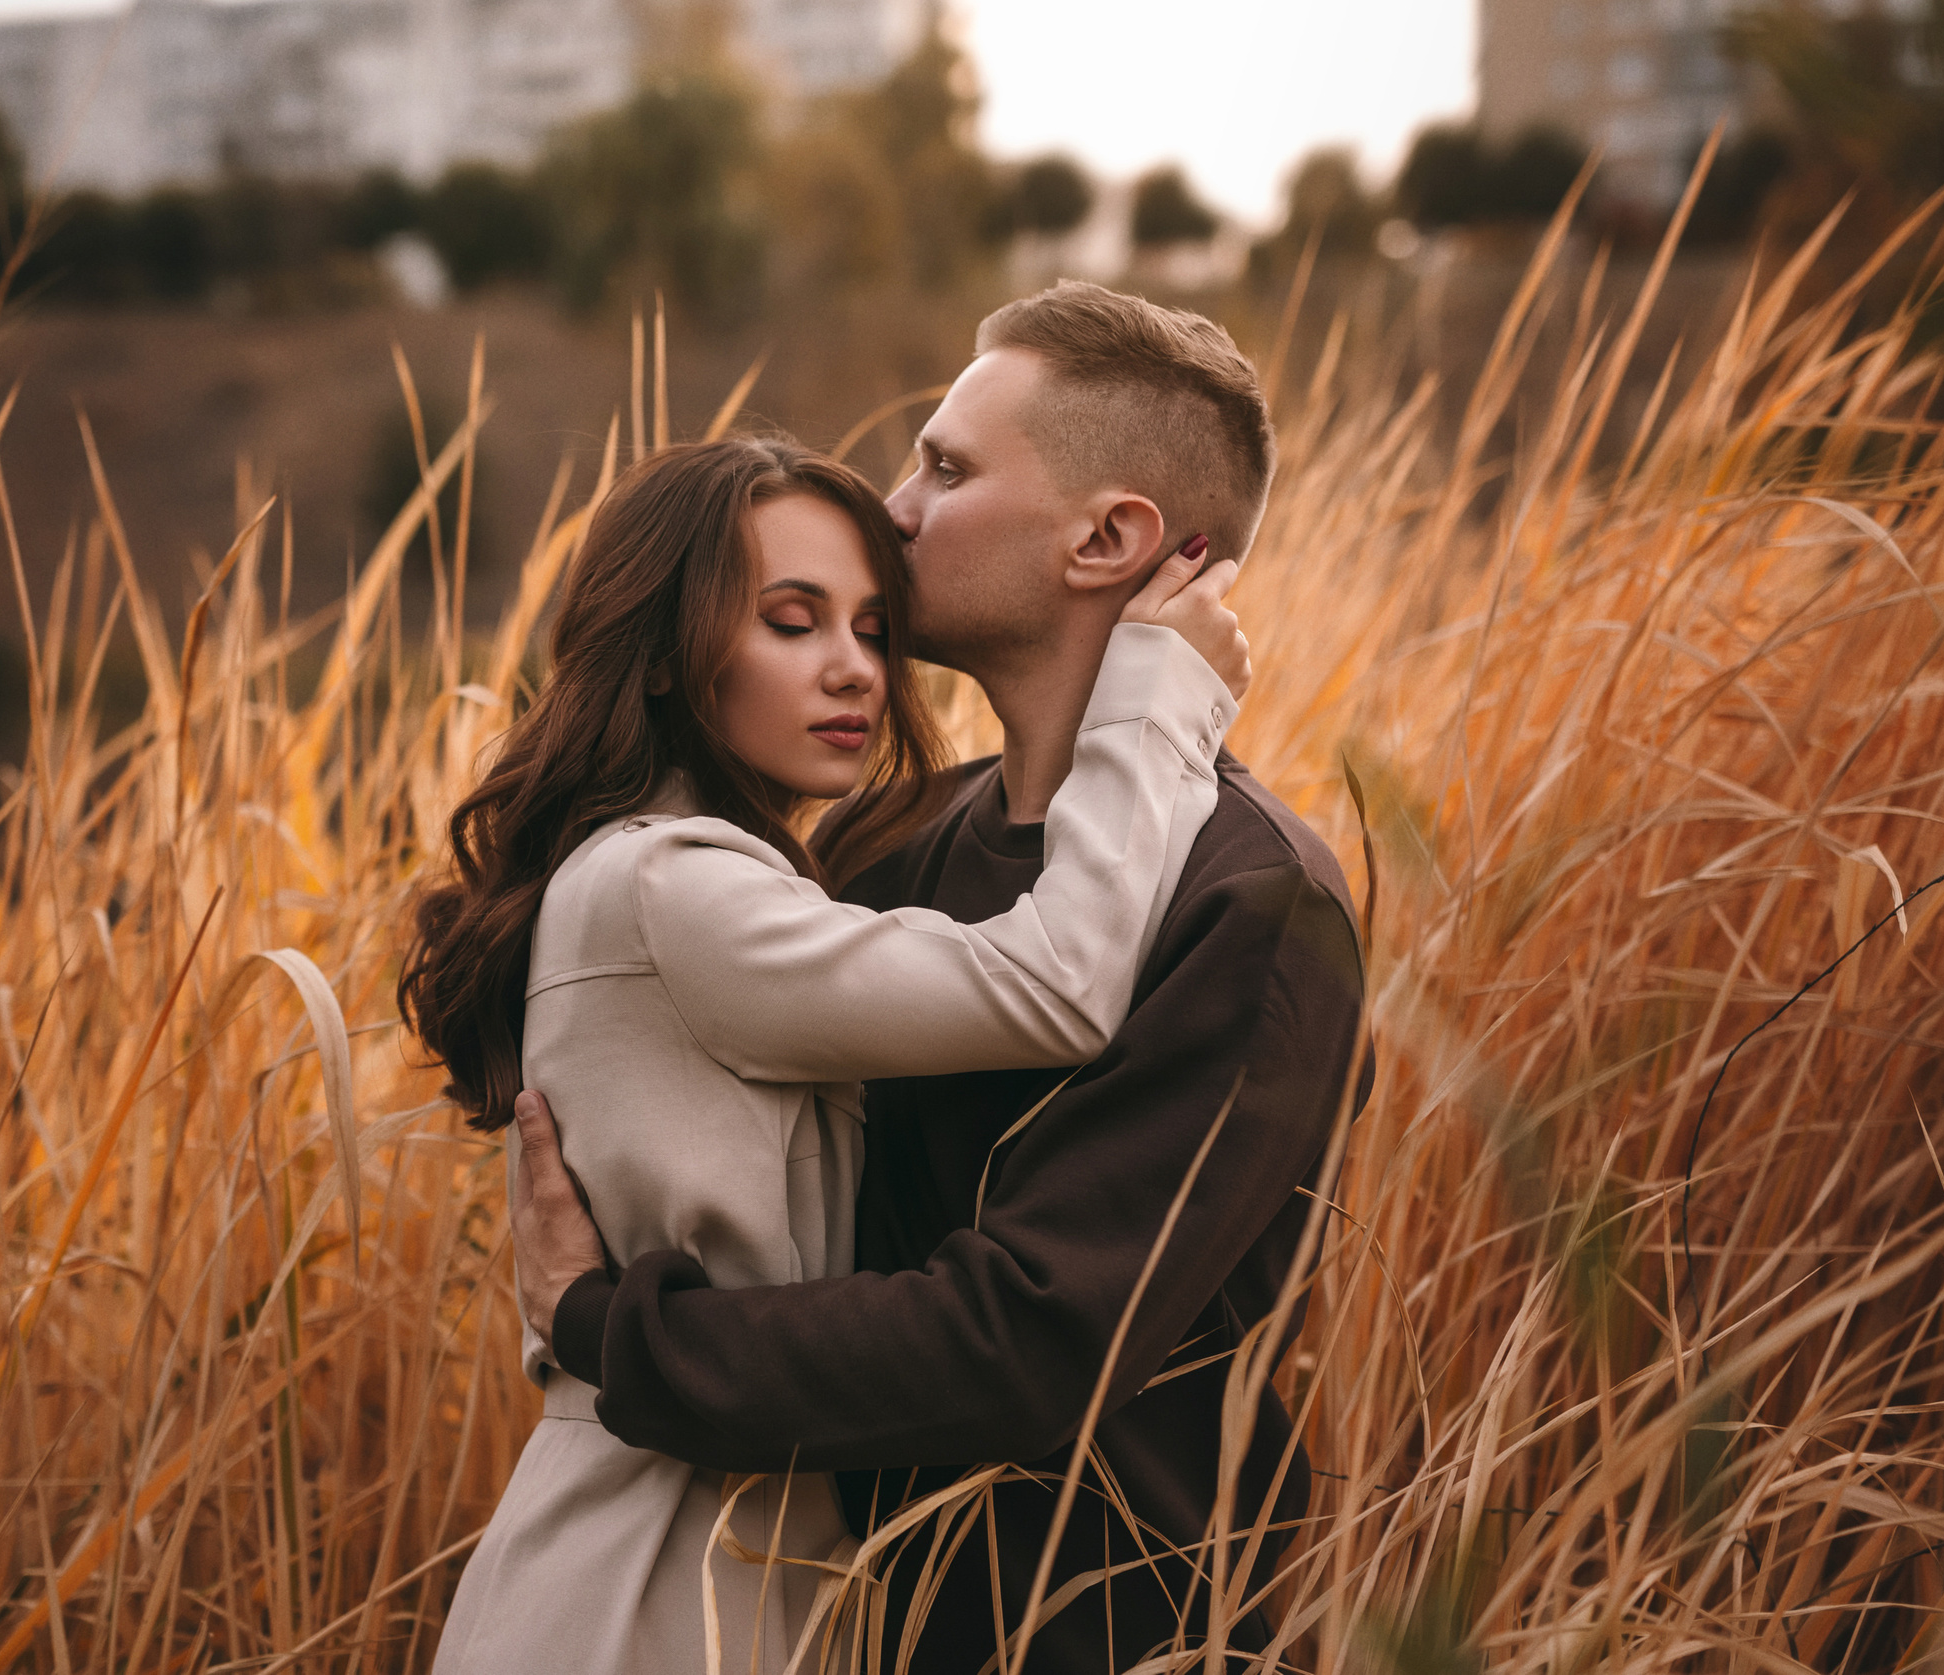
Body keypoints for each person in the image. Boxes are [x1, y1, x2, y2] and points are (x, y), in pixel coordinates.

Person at [507, 282, 1373, 1672]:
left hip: (1099, 1641)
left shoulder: (1256, 904)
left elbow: (1027, 1338)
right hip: (813, 1618)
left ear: (1108, 540)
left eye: (948, 469)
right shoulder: (883, 842)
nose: (893, 508)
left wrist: (617, 1333)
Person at [402, 428, 1252, 1674]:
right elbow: (1055, 984)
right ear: (660, 655)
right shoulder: (668, 885)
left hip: (737, 1545)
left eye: (870, 628)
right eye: (791, 623)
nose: (853, 669)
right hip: (645, 1573)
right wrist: (1159, 699)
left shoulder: (723, 880)